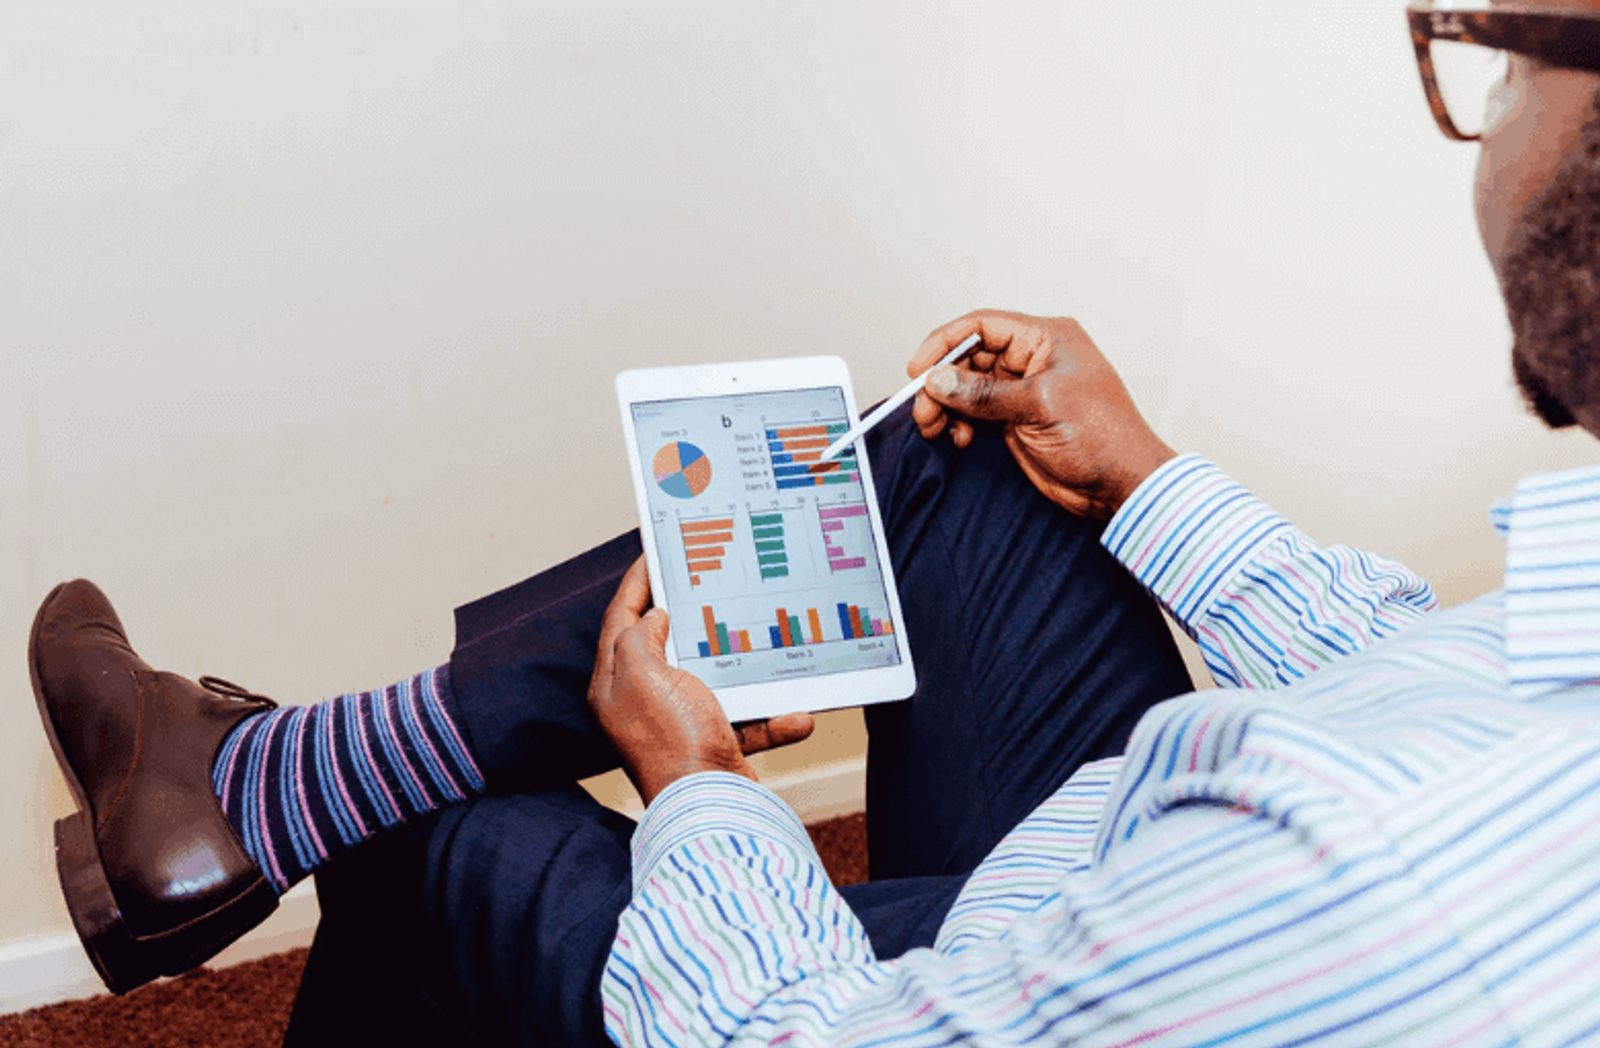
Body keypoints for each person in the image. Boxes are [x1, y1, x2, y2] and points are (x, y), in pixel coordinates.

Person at [25, 0, 1600, 1042]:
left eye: (1512, 54)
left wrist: (702, 790)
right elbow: (1438, 681)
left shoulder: (1399, 878)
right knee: (965, 453)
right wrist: (1144, 473)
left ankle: (271, 791)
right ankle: (236, 793)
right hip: (1132, 871)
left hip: (982, 983)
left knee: (454, 831)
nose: (1490, 104)